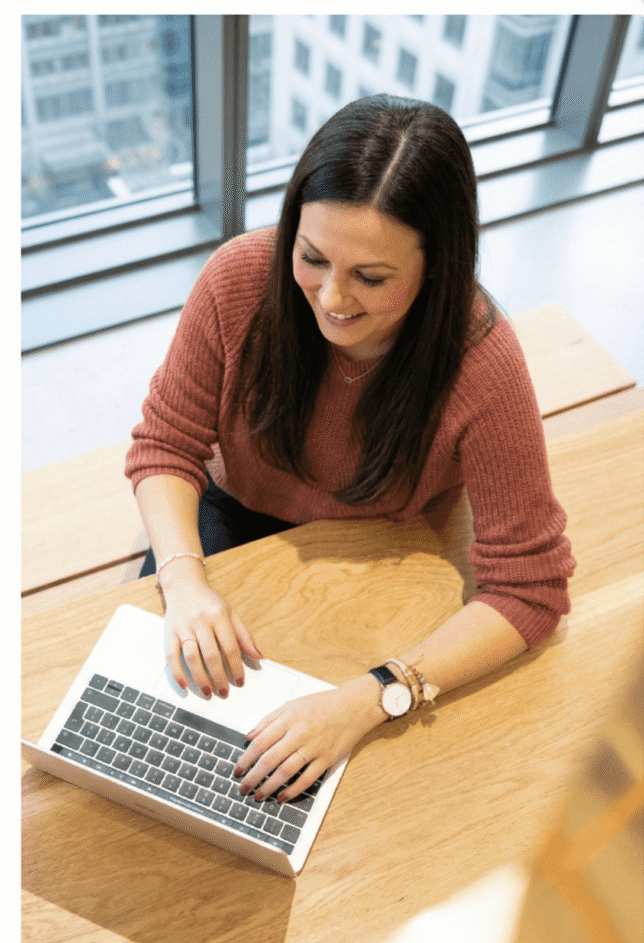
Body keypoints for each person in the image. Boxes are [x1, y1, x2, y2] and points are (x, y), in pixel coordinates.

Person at [125, 94, 575, 807]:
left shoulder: (482, 361)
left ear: (440, 266)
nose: (332, 298)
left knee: (354, 794)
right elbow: (164, 445)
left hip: (384, 546)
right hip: (229, 513)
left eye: (371, 277)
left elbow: (531, 588)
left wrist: (373, 699)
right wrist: (185, 583)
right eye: (311, 257)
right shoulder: (239, 279)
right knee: (157, 734)